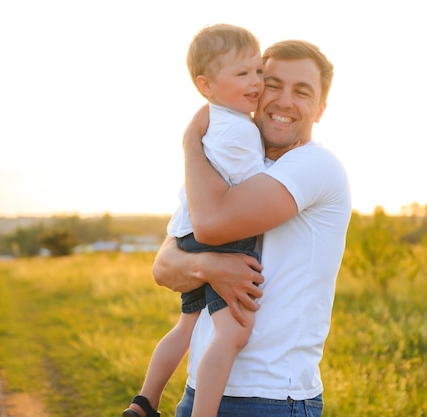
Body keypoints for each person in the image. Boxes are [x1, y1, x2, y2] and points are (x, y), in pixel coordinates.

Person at [151, 39, 352, 417]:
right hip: (200, 393)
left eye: (302, 91)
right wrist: (206, 267)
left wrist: (190, 141)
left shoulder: (315, 165)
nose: (283, 101)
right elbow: (164, 266)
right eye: (273, 84)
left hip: (273, 399)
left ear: (321, 109)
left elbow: (207, 227)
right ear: (255, 89)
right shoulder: (235, 163)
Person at [123, 23, 266, 417]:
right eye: (242, 74)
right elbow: (255, 186)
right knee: (232, 334)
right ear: (207, 85)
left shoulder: (214, 120)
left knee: (187, 327)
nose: (256, 82)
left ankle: (145, 400)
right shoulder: (237, 130)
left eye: (258, 71)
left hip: (186, 235)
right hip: (219, 239)